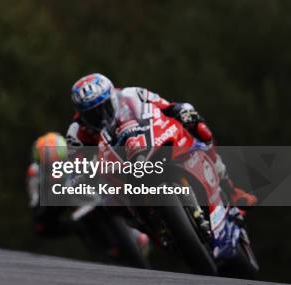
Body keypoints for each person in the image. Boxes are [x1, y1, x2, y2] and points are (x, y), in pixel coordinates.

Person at [66, 73, 257, 206]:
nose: (101, 118)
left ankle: (231, 190)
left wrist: (183, 111)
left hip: (147, 144)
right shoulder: (76, 133)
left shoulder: (132, 94)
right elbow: (73, 172)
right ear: (81, 115)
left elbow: (168, 107)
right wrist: (83, 175)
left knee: (200, 128)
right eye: (92, 114)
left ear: (112, 98)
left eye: (104, 108)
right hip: (118, 173)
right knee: (107, 205)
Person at [26, 132, 150, 265]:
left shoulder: (78, 155)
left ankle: (140, 223)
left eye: (56, 159)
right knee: (42, 227)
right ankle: (101, 251)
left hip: (95, 193)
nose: (53, 164)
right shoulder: (35, 174)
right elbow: (36, 207)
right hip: (65, 205)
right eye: (48, 162)